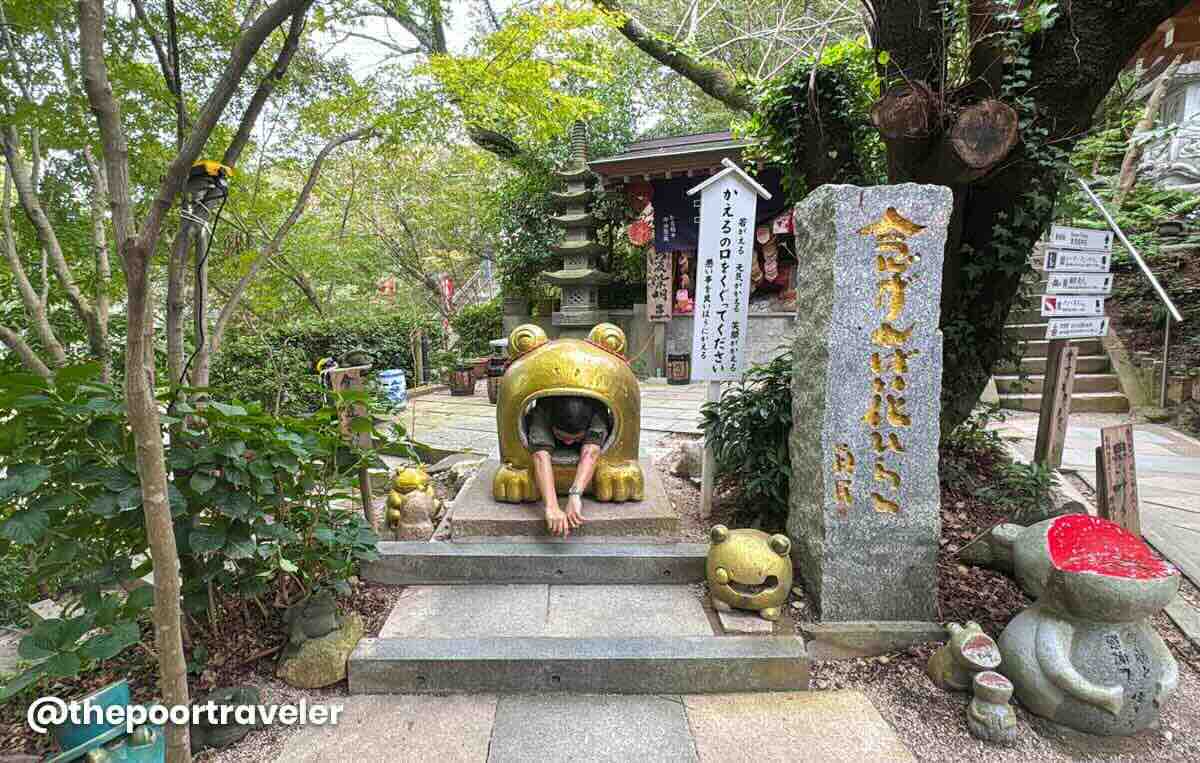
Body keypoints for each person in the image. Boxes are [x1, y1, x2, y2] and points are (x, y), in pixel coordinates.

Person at [526, 396, 609, 536]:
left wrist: (575, 495)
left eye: (576, 438)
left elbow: (591, 452)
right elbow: (540, 456)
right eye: (561, 436)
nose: (568, 443)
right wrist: (551, 507)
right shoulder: (543, 412)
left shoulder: (597, 414)